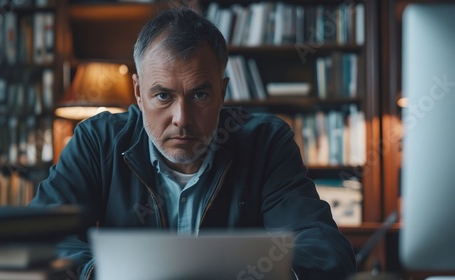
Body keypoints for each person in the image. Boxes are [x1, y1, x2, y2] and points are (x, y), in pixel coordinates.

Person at [29, 7, 356, 280]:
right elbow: (40, 237)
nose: (181, 118)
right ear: (138, 93)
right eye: (163, 96)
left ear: (223, 93)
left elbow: (326, 249)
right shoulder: (97, 141)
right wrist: (100, 272)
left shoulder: (266, 141)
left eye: (199, 95)